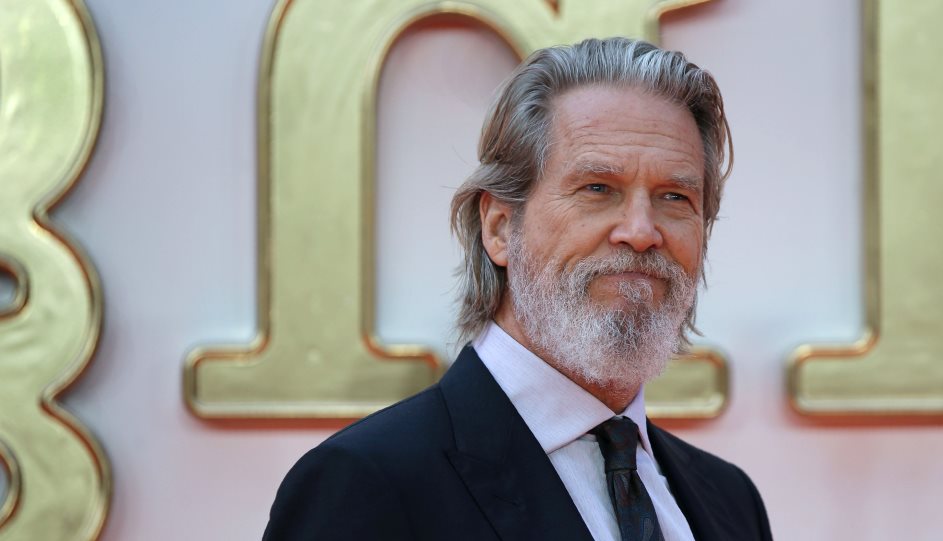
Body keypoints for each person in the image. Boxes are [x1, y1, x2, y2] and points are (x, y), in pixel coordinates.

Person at [263, 37, 772, 541]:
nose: (641, 231)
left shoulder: (731, 503)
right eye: (597, 189)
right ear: (500, 228)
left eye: (675, 196)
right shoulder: (366, 483)